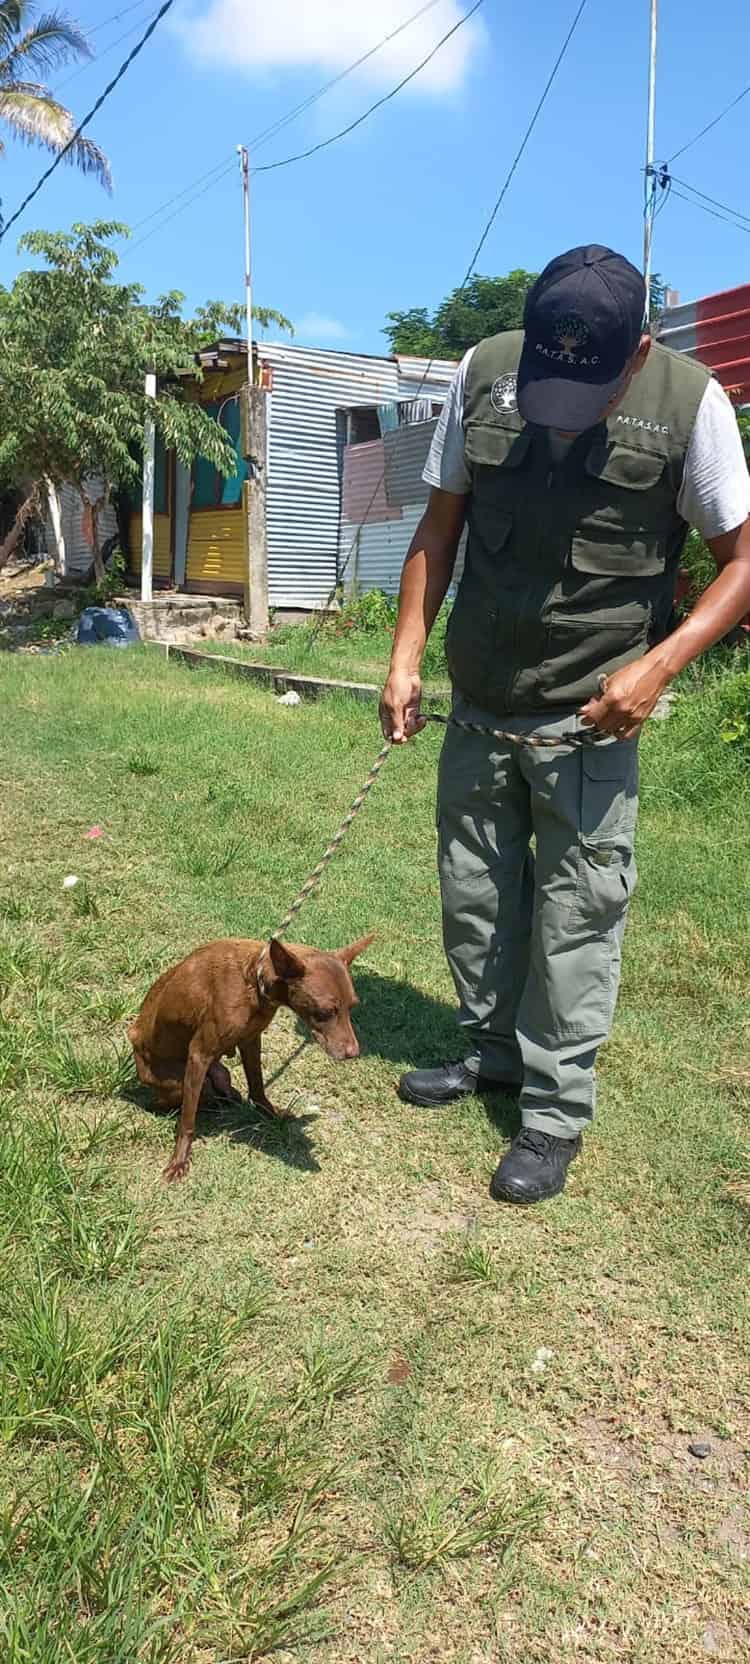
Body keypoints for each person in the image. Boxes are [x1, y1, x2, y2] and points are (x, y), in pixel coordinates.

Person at [379, 245, 750, 1206]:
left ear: (635, 352)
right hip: (480, 696)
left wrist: (656, 669)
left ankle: (553, 1111)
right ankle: (492, 1055)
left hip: (593, 714)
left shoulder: (690, 402)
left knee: (577, 911)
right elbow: (440, 524)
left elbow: (742, 561)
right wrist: (406, 652)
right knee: (475, 889)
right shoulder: (485, 372)